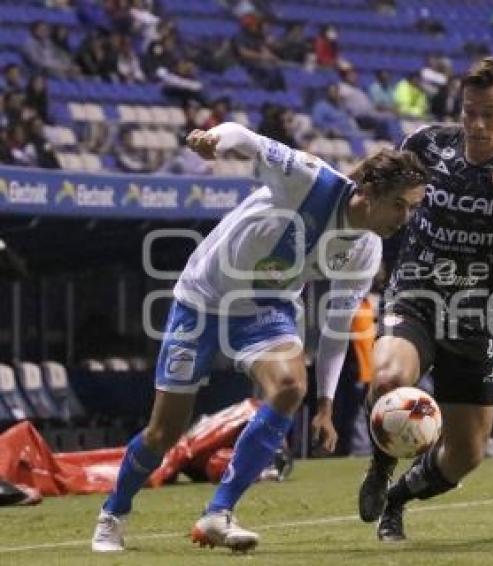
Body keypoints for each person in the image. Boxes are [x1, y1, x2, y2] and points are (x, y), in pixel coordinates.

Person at [90, 122, 428, 553]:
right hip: (203, 300)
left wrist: (324, 403)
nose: (405, 219)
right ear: (370, 192)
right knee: (164, 432)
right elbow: (246, 139)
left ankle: (218, 513)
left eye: (412, 208)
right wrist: (213, 138)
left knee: (290, 387)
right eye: (399, 205)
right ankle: (113, 513)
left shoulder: (365, 249)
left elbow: (337, 325)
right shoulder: (311, 180)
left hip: (267, 307)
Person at [355, 55, 493, 542]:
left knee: (466, 454)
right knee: (392, 378)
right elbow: (383, 184)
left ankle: (398, 500)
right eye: (469, 111)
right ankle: (380, 469)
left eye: (490, 113)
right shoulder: (426, 144)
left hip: (474, 315)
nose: (477, 124)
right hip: (414, 291)